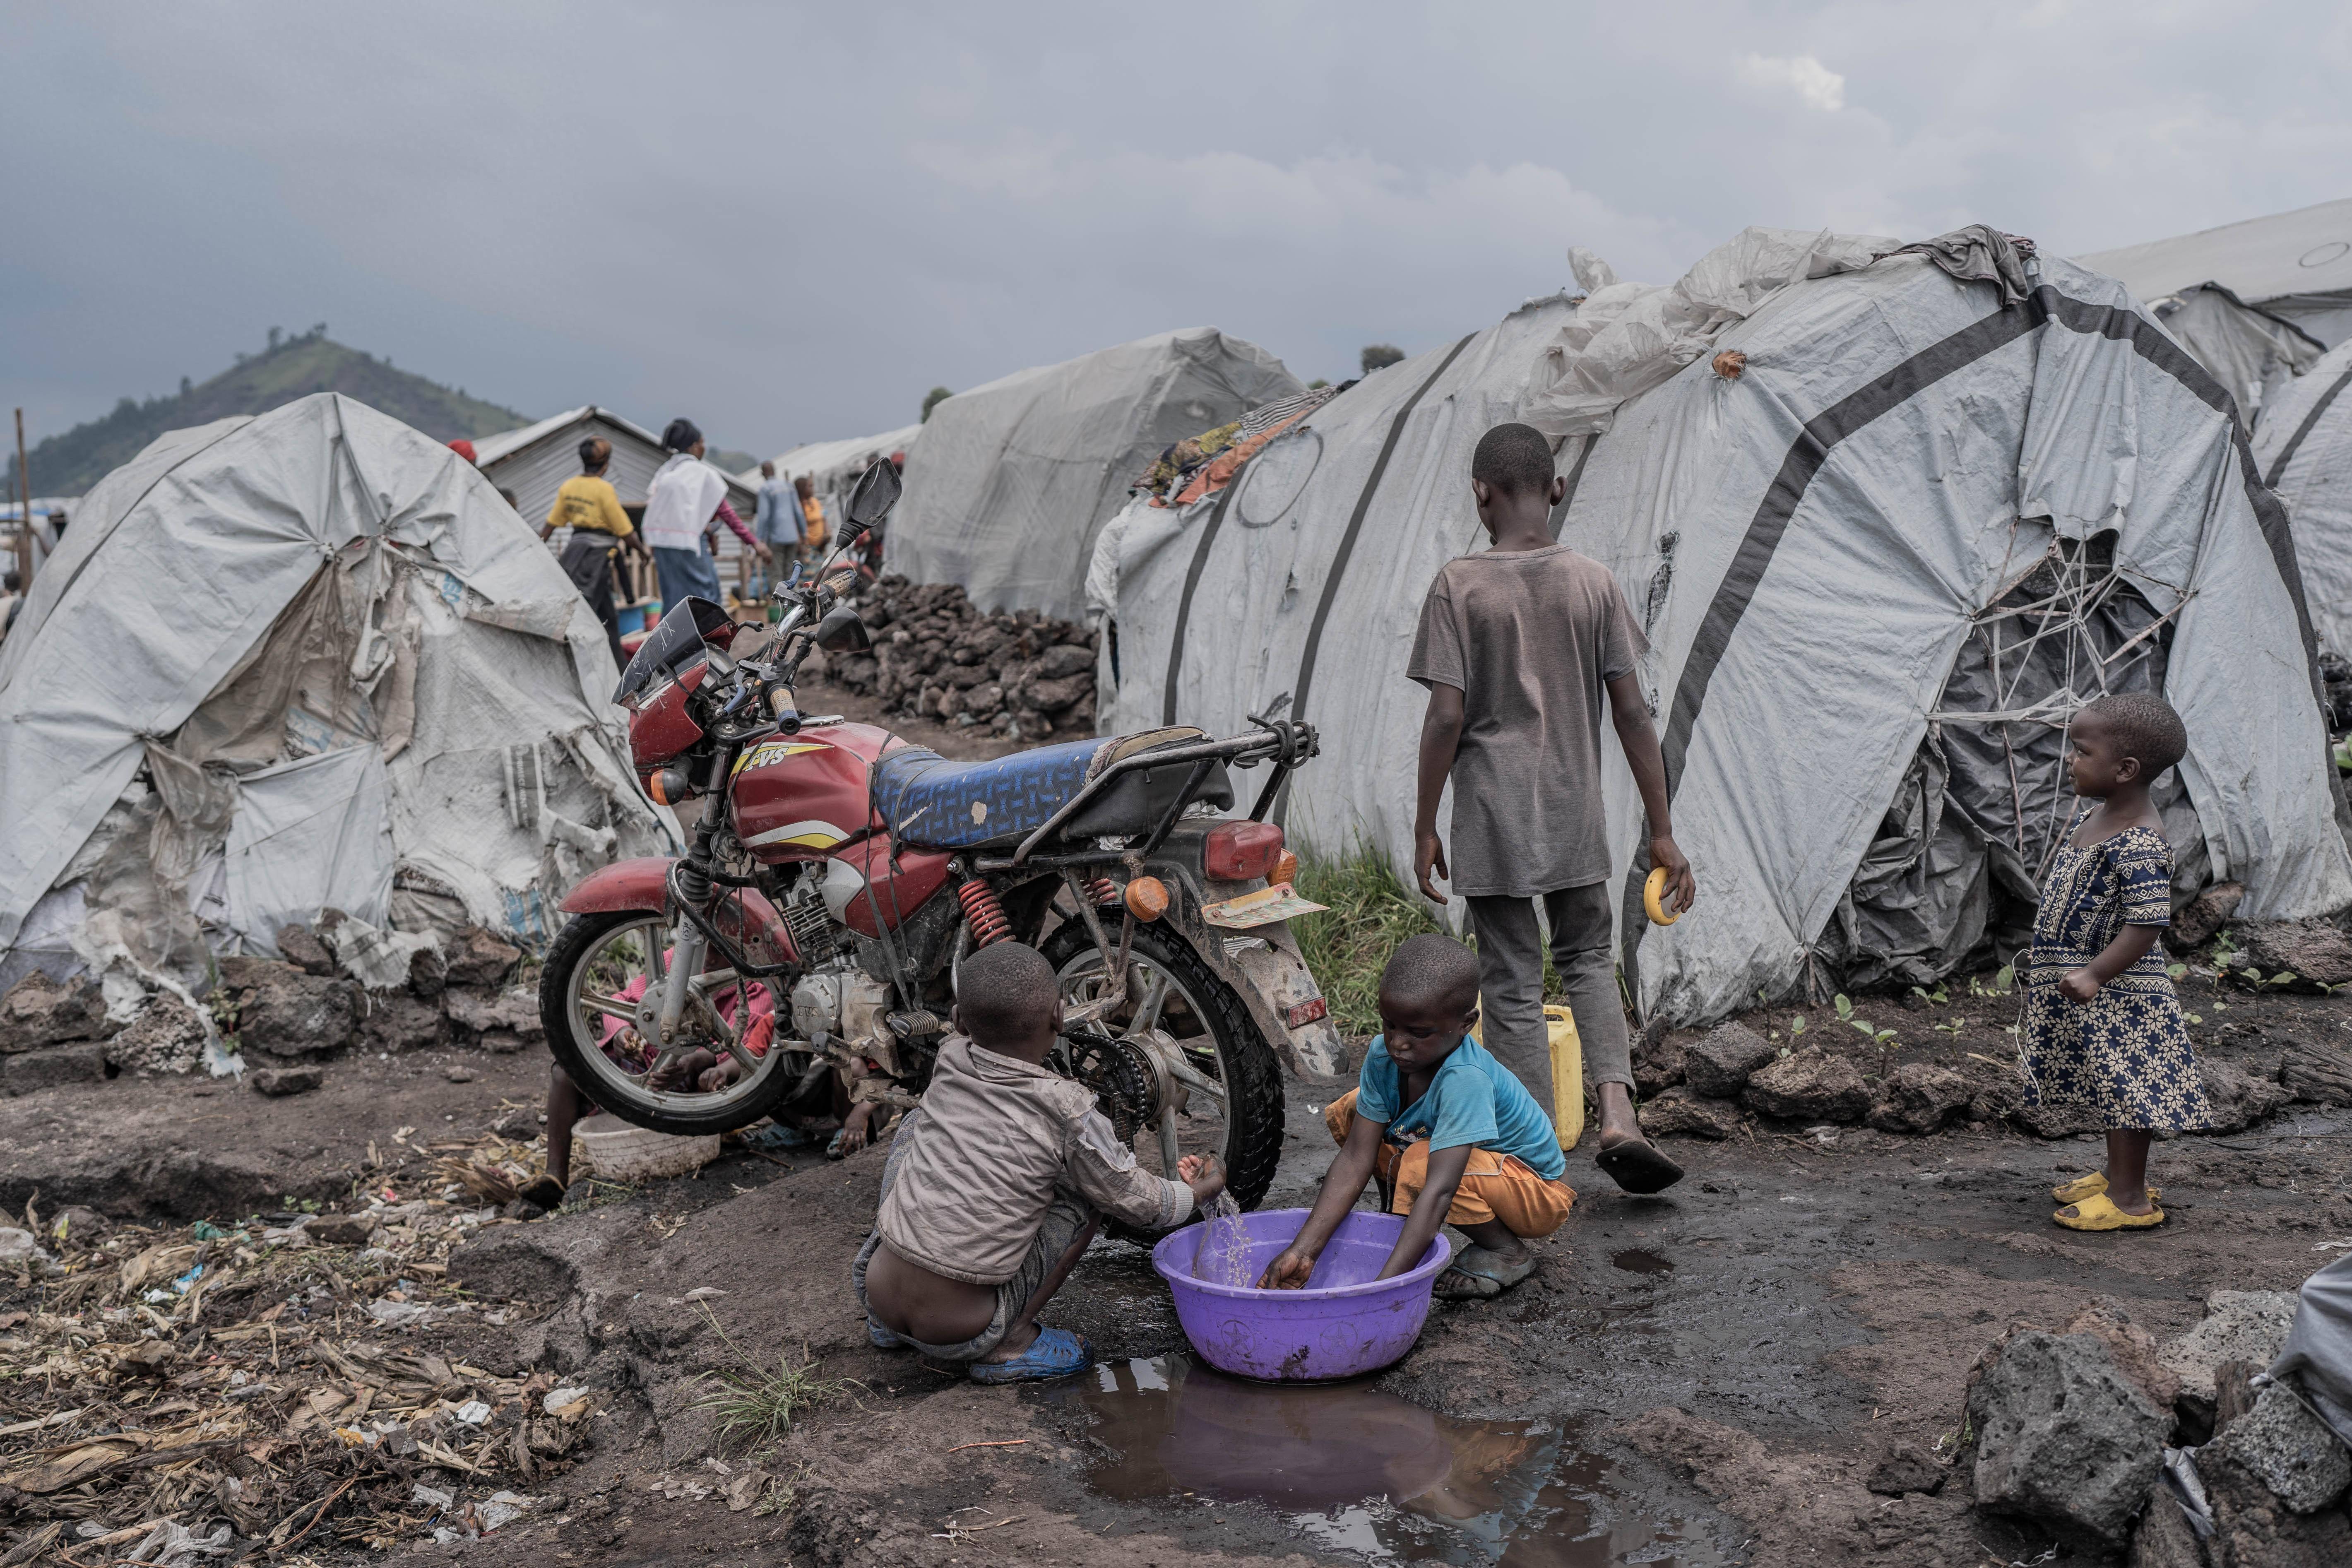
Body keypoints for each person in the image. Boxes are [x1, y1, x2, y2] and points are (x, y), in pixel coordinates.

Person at [1409, 421, 1695, 1195]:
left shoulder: (1458, 584)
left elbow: (1444, 717)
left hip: (1492, 812)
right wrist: (1662, 830)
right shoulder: (1591, 581)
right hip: (1573, 805)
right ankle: (1617, 1115)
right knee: (1585, 959)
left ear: (1481, 493)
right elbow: (1634, 713)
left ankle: (1534, 1149)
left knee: (1508, 977)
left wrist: (1425, 821)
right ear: (1556, 488)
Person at [856, 941, 1224, 1383]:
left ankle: (887, 1327)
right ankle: (1012, 1342)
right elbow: (1135, 1199)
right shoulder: (1067, 1106)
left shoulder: (951, 1055)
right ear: (1059, 1015)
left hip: (875, 1293)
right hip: (965, 1332)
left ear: (957, 1021)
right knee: (1087, 1190)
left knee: (917, 1124)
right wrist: (1200, 1190)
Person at [1261, 934, 1574, 1299]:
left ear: (1466, 1024)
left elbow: (1439, 1190)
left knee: (1419, 1167)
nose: (1398, 1043)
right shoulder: (1384, 1058)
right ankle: (1394, 1217)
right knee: (1352, 1110)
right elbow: (1356, 1158)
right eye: (1390, 1024)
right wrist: (1303, 1252)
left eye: (1419, 1033)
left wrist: (1382, 1289)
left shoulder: (1465, 1080)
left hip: (1538, 1192)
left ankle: (1506, 1251)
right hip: (1482, 1171)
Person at [2024, 693, 2211, 1231]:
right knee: (2111, 1087)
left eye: (2080, 751)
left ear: (2125, 769)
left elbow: (2147, 923)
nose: (2069, 761)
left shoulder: (2139, 842)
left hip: (2125, 994)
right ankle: (2115, 1176)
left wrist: (2093, 972)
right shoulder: (2099, 816)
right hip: (2101, 988)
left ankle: (2130, 1200)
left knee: (2129, 1092)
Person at [643, 417, 767, 611]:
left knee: (673, 599)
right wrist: (754, 543)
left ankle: (670, 639)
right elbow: (727, 514)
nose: (704, 447)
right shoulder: (701, 473)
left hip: (661, 543)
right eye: (702, 443)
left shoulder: (665, 472)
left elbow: (662, 508)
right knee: (708, 595)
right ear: (694, 447)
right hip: (689, 544)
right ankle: (706, 639)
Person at [541, 437, 644, 668]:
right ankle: (593, 667)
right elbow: (625, 529)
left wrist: (536, 546)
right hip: (597, 560)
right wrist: (643, 552)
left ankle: (618, 668)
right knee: (589, 618)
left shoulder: (568, 487)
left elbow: (551, 525)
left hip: (574, 556)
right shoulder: (604, 489)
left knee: (606, 617)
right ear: (605, 463)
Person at [753, 461, 801, 576]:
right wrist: (803, 534)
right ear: (774, 471)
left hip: (776, 538)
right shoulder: (789, 486)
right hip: (792, 537)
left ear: (762, 473)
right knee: (790, 573)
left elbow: (764, 516)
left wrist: (759, 540)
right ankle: (791, 594)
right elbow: (799, 512)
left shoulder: (765, 488)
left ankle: (779, 595)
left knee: (776, 575)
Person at [795, 475, 829, 569]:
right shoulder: (799, 506)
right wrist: (802, 546)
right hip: (809, 548)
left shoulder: (815, 501)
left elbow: (824, 516)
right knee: (810, 577)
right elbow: (797, 527)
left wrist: (827, 533)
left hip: (821, 546)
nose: (812, 489)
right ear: (802, 489)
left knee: (823, 574)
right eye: (810, 486)